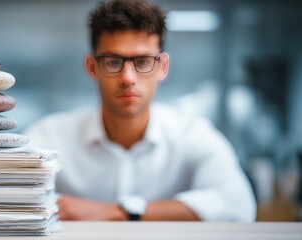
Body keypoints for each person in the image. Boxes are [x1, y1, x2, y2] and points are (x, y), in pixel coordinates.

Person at [25, 0, 256, 222]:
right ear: (92, 67)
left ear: (162, 67)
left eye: (143, 62)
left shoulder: (191, 134)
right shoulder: (50, 136)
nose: (128, 78)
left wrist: (118, 213)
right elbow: (8, 202)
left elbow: (238, 205)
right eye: (113, 62)